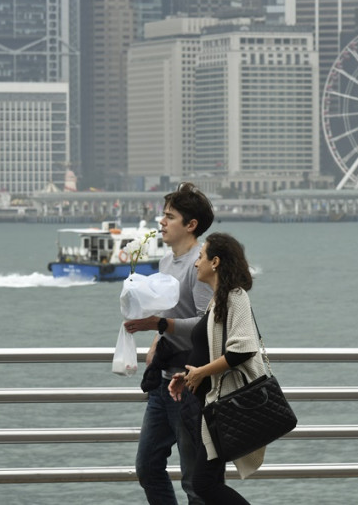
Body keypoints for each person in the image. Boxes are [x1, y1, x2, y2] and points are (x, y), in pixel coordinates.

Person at [124, 182, 214, 505]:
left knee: (194, 481)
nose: (161, 222)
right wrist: (154, 339)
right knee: (147, 466)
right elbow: (168, 316)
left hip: (190, 386)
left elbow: (206, 328)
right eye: (163, 215)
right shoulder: (165, 264)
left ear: (191, 225)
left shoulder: (199, 266)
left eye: (170, 216)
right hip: (163, 383)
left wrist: (159, 324)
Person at [168, 232, 266, 504]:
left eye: (201, 257)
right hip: (208, 407)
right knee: (206, 483)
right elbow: (212, 349)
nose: (196, 263)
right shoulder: (217, 300)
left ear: (216, 262)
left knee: (204, 483)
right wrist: (189, 375)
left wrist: (202, 372)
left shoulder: (235, 297)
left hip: (222, 407)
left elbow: (243, 349)